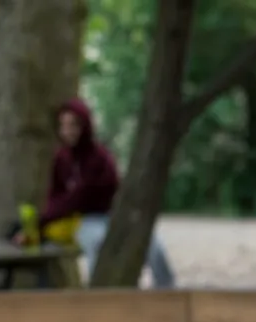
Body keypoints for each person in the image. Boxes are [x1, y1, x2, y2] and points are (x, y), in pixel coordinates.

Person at [45, 98, 174, 288]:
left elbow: (82, 195)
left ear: (84, 125)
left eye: (72, 125)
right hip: (86, 220)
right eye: (63, 125)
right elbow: (57, 197)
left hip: (114, 216)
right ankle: (103, 296)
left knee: (153, 246)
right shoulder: (61, 158)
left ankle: (168, 294)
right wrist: (40, 223)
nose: (67, 131)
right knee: (97, 245)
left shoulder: (101, 158)